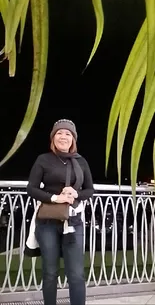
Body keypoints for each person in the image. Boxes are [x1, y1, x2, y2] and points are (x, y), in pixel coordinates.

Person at [26, 119, 94, 305]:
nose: (63, 136)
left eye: (68, 134)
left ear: (73, 139)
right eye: (59, 133)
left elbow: (90, 190)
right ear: (53, 138)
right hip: (47, 222)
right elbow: (31, 188)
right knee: (50, 272)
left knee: (76, 274)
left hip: (73, 223)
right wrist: (56, 198)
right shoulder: (43, 159)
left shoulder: (81, 162)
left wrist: (76, 193)